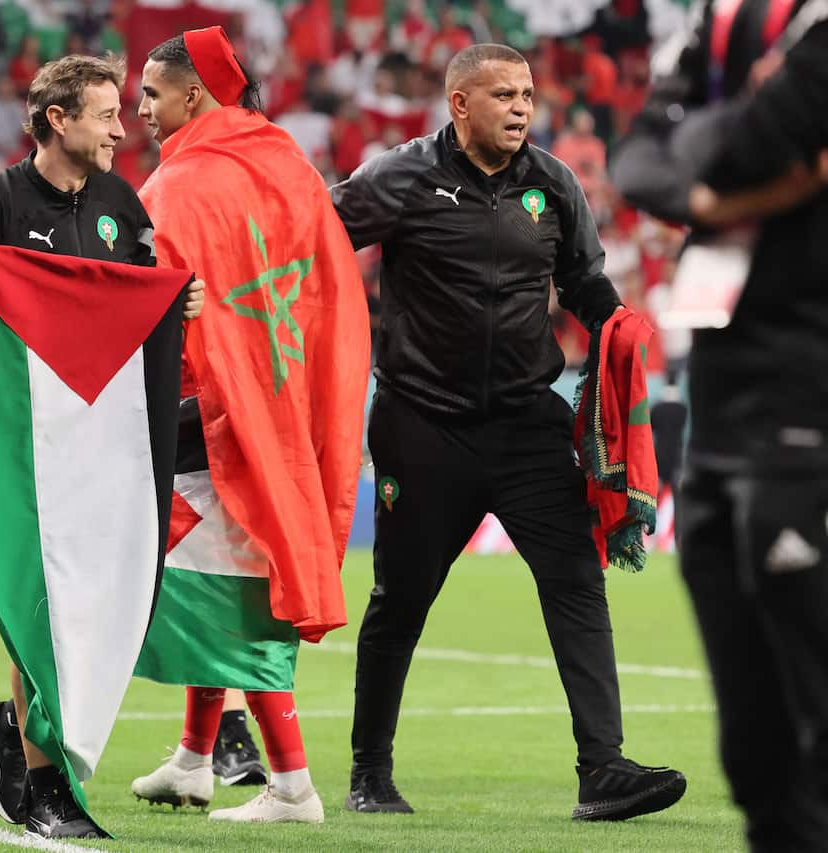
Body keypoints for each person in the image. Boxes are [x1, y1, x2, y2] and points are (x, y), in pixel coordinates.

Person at [328, 43, 686, 820]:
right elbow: (316, 241)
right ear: (460, 105)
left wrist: (614, 323)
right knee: (402, 599)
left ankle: (604, 769)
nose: (523, 107)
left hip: (527, 422)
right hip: (423, 425)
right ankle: (369, 772)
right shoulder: (400, 175)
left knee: (576, 583)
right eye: (503, 95)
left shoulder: (553, 184)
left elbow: (586, 282)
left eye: (527, 94)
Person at [0, 54, 205, 840]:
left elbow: (144, 301)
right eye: (107, 114)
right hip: (31, 450)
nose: (125, 127)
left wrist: (176, 298)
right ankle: (49, 786)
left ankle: (10, 730)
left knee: (98, 601)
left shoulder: (121, 201)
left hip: (105, 446)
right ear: (58, 120)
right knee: (46, 602)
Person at [126, 27, 370, 824]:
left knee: (230, 591)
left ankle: (293, 784)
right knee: (221, 580)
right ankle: (196, 759)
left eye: (153, 96)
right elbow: (323, 288)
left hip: (211, 414)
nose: (142, 113)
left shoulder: (184, 184)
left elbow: (153, 303)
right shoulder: (285, 166)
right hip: (280, 396)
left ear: (193, 95)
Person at [611, 7, 828, 849]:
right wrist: (710, 186)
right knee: (750, 744)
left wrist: (699, 154)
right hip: (726, 382)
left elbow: (735, 142)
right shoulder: (724, 14)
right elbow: (638, 157)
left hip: (808, 368)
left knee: (809, 697)